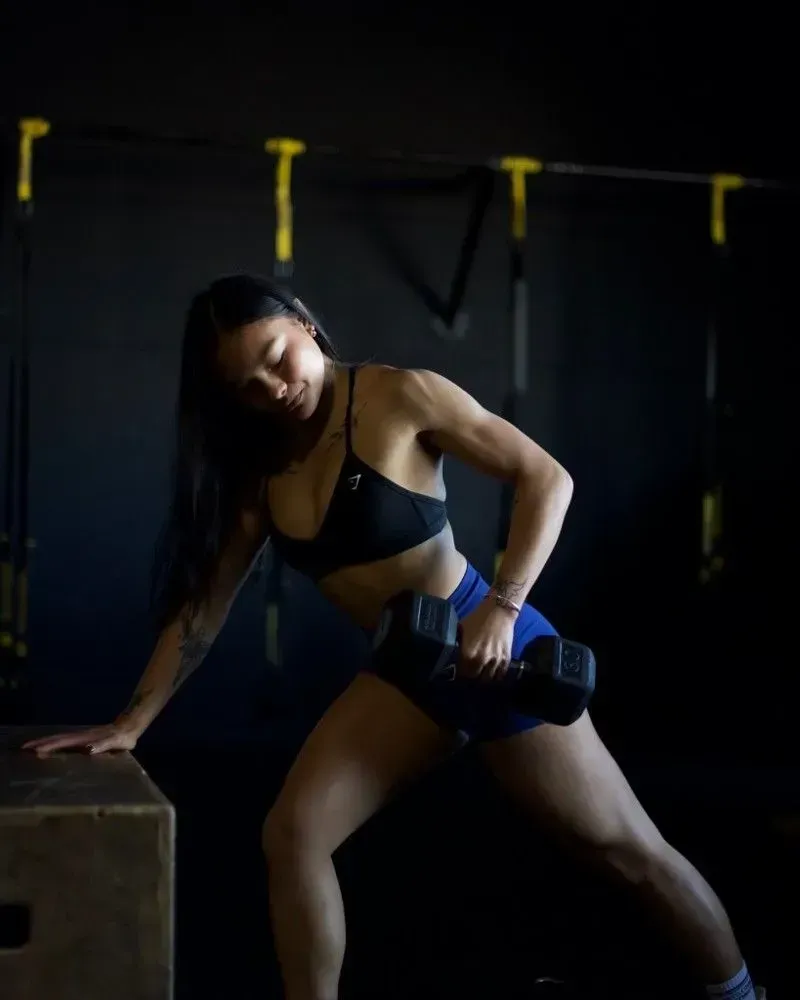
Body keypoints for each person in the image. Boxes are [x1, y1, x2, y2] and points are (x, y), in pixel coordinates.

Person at [24, 274, 762, 1000]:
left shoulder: (399, 395)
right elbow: (202, 609)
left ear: (305, 326)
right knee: (294, 835)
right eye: (247, 384)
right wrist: (131, 722)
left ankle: (740, 994)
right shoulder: (262, 468)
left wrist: (503, 609)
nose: (274, 388)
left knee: (629, 854)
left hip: (497, 653)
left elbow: (547, 478)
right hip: (410, 673)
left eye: (278, 358)